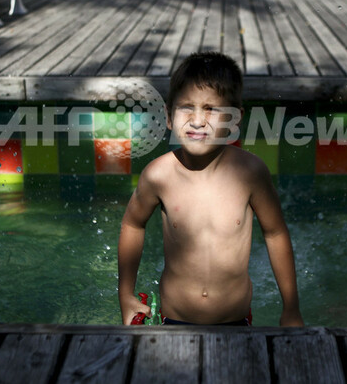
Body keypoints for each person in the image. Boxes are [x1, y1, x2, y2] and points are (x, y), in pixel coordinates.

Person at [118, 52, 304, 326]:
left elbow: (275, 233)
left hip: (236, 321)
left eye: (211, 109)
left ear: (234, 119)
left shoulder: (250, 173)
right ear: (168, 116)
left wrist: (291, 309)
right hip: (175, 319)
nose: (197, 120)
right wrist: (125, 294)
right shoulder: (159, 175)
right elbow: (133, 224)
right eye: (186, 108)